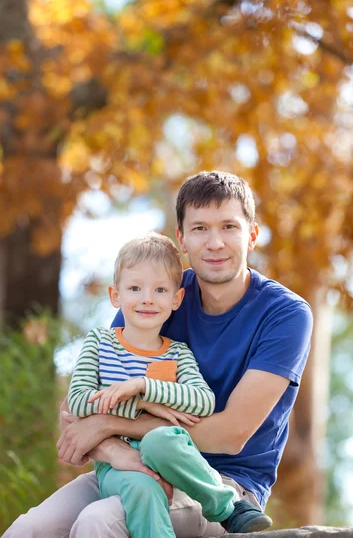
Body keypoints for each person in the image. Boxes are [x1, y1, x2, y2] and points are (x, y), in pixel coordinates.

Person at [4, 170, 313, 538]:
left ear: (251, 234)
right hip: (127, 462)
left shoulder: (285, 315)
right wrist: (117, 451)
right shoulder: (158, 293)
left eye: (228, 226)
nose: (215, 242)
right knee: (28, 529)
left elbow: (230, 435)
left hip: (221, 486)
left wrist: (112, 424)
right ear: (181, 239)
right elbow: (79, 412)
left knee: (99, 522)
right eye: (200, 229)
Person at [66, 232, 273, 537]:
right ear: (115, 295)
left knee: (160, 439)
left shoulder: (178, 353)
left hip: (173, 466)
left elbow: (203, 401)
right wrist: (141, 404)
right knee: (142, 488)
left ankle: (227, 507)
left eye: (160, 289)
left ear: (176, 299)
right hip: (117, 467)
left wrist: (144, 387)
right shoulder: (99, 343)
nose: (147, 298)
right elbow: (79, 401)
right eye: (135, 288)